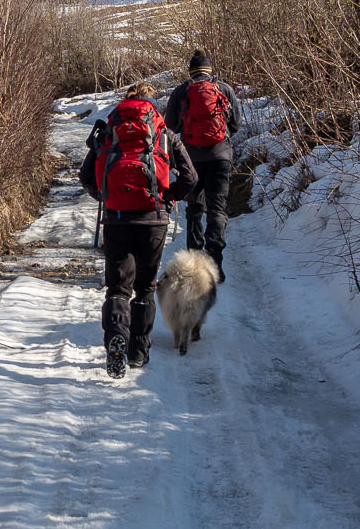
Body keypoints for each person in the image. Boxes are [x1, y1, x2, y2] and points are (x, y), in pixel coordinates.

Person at [81, 84, 197, 377]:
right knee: (145, 286)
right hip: (153, 219)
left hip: (117, 218)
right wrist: (169, 197)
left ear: (124, 104)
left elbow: (85, 175)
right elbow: (191, 177)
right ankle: (138, 350)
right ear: (150, 105)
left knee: (118, 287)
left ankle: (116, 337)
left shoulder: (108, 131)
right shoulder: (163, 133)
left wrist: (105, 196)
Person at [164, 49, 243, 281]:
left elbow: (169, 127)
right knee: (217, 210)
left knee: (194, 210)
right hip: (220, 158)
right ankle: (215, 266)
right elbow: (236, 124)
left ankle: (194, 264)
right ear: (210, 70)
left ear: (190, 72)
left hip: (191, 160)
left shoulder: (181, 92)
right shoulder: (224, 89)